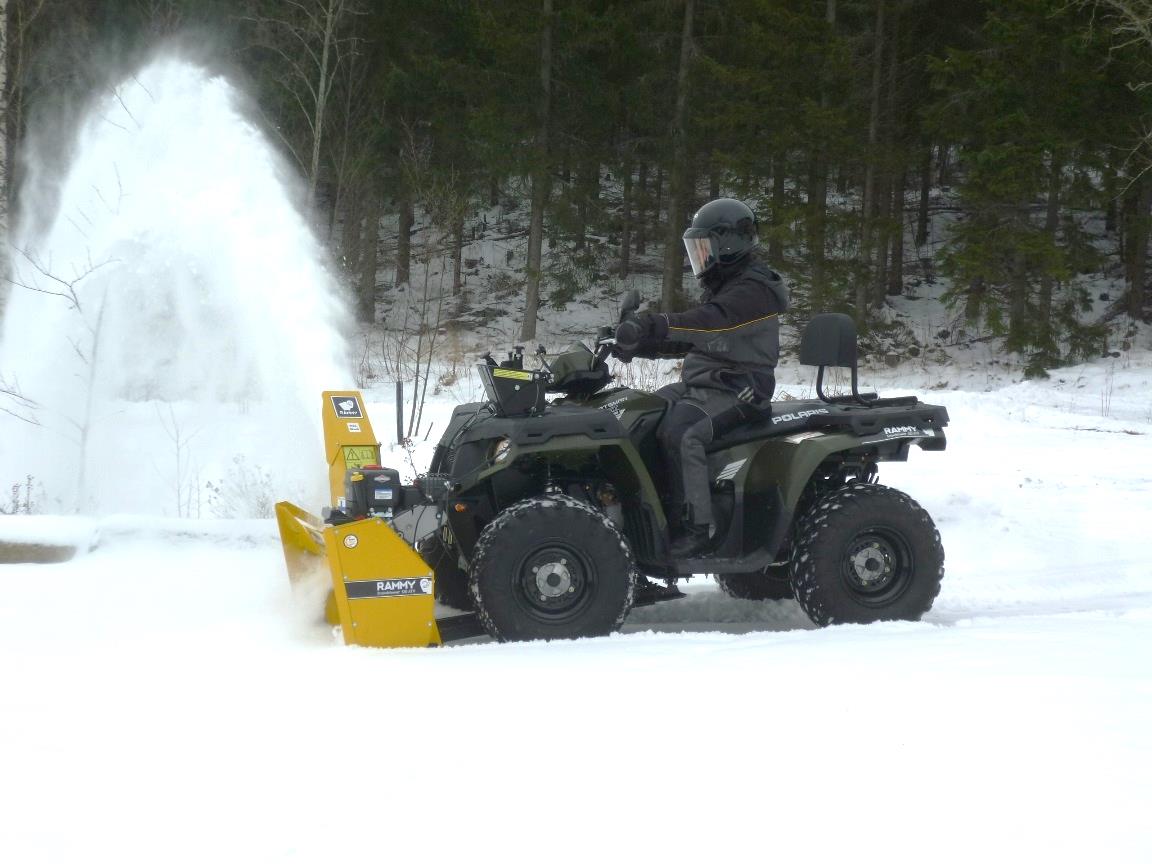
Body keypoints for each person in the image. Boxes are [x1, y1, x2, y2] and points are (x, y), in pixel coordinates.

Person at [613, 198, 789, 557]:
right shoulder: (726, 286)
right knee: (640, 415)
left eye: (704, 247)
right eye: (696, 249)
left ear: (729, 243)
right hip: (707, 383)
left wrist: (653, 323)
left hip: (741, 388)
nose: (700, 257)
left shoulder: (753, 291)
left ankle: (698, 526)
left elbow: (710, 323)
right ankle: (647, 516)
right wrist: (641, 343)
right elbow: (695, 339)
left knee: (683, 433)